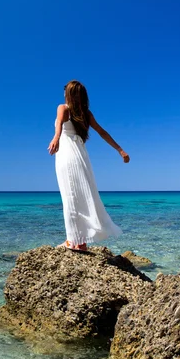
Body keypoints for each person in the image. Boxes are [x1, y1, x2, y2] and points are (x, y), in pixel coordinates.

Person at [47, 80, 130, 250]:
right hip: (81, 154)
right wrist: (120, 150)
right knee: (81, 194)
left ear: (69, 94)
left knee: (70, 195)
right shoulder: (86, 113)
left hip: (67, 152)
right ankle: (81, 242)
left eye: (66, 90)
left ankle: (73, 240)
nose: (64, 93)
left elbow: (60, 125)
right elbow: (102, 132)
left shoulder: (63, 107)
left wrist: (56, 138)